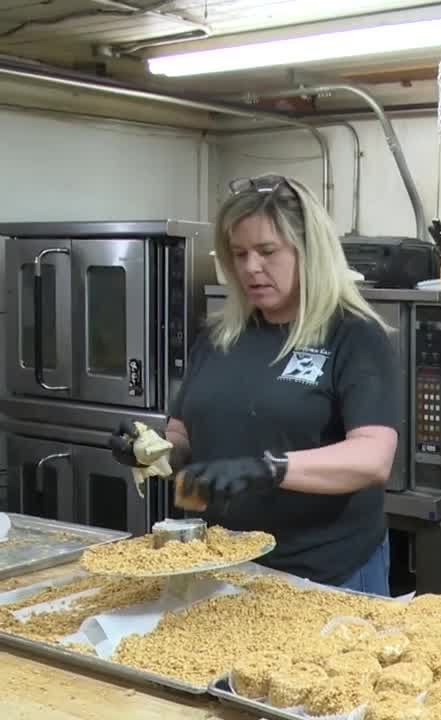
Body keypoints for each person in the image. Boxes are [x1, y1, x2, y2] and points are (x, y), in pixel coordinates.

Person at [110, 174, 398, 595]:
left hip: (326, 573)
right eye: (239, 254)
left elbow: (373, 457)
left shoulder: (354, 336)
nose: (250, 268)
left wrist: (270, 468)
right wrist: (148, 449)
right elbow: (183, 434)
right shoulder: (218, 335)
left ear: (309, 251)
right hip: (226, 566)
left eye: (267, 252)